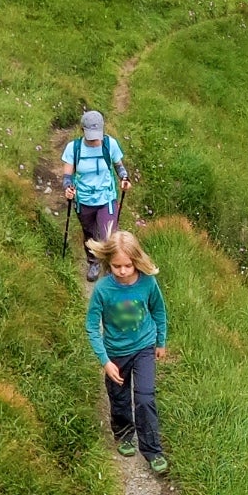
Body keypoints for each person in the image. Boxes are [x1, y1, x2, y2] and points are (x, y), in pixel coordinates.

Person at [85, 230, 170, 473]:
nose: (122, 271)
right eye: (116, 266)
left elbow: (159, 311)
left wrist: (160, 342)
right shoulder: (102, 290)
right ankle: (123, 435)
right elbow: (91, 325)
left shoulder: (148, 282)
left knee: (145, 398)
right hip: (115, 352)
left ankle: (153, 450)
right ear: (107, 263)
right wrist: (105, 361)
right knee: (119, 398)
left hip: (144, 347)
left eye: (128, 266)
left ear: (137, 261)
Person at [59, 110, 129, 281]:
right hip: (84, 200)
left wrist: (124, 178)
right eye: (90, 135)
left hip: (107, 198)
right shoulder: (73, 148)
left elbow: (118, 165)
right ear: (82, 130)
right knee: (90, 234)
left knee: (109, 235)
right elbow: (67, 176)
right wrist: (68, 188)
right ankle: (93, 262)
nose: (94, 139)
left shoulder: (109, 145)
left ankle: (112, 268)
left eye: (97, 134)